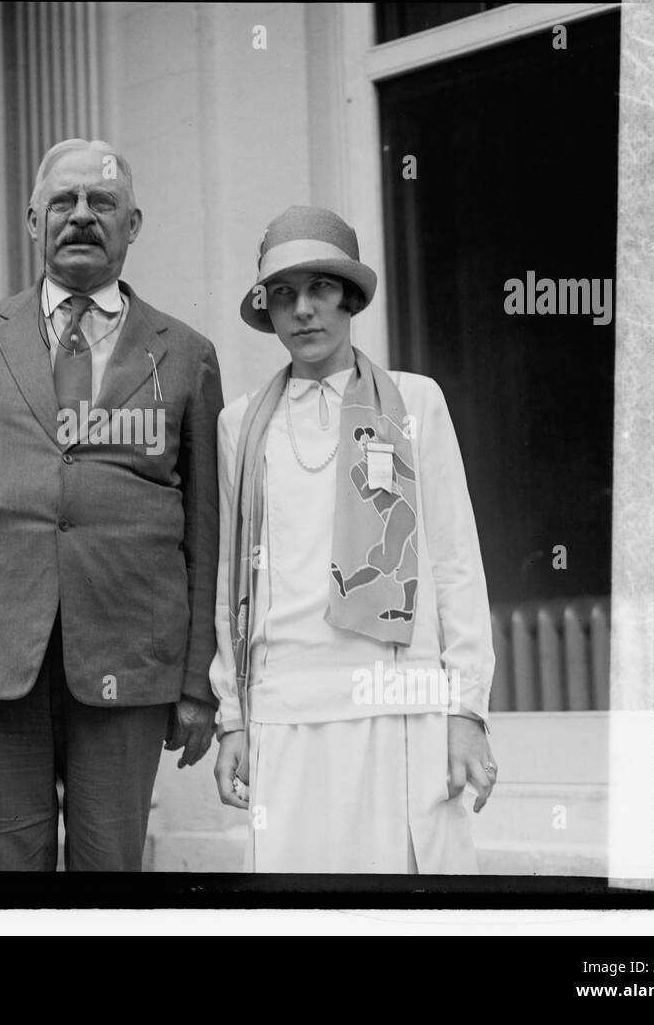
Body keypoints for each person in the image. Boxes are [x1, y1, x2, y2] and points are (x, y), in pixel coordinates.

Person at [0, 138, 224, 871]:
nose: (81, 217)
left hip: (131, 657)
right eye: (63, 203)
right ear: (33, 221)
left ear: (133, 225)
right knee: (8, 870)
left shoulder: (187, 353)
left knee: (111, 871)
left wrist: (197, 682)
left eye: (102, 203)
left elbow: (207, 532)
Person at [210, 205, 497, 873]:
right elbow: (234, 580)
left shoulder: (413, 402)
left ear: (350, 297)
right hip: (287, 710)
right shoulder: (241, 425)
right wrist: (233, 718)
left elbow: (456, 561)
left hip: (398, 707)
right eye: (284, 294)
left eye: (320, 289)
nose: (303, 310)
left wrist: (466, 711)